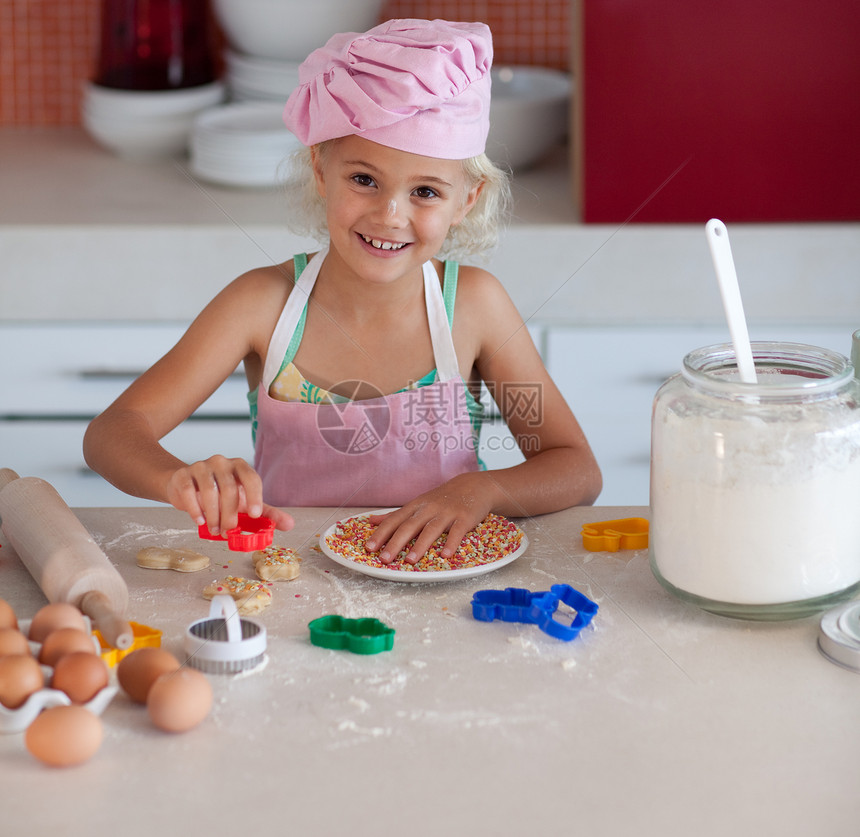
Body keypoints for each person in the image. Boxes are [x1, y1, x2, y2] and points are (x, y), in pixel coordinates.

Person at [83, 18, 601, 564]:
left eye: (426, 191)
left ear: (465, 202)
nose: (389, 215)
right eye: (364, 180)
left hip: (443, 590)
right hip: (290, 586)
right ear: (321, 171)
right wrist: (180, 480)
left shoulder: (475, 306)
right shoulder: (261, 304)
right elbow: (112, 434)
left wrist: (483, 490)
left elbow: (575, 467)